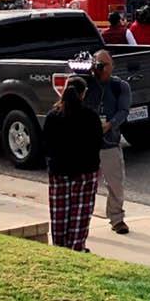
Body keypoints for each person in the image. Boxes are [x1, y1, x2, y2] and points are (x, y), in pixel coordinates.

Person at [43, 77, 104, 252]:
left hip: (59, 171)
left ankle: (59, 248)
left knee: (59, 213)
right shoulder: (90, 116)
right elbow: (97, 142)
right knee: (80, 213)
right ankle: (77, 247)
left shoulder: (53, 116)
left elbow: (46, 143)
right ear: (83, 94)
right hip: (85, 171)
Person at [85, 50, 132, 234]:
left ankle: (117, 219)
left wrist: (109, 125)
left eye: (105, 65)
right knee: (86, 186)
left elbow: (124, 111)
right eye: (98, 64)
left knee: (115, 184)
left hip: (109, 142)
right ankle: (82, 219)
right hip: (88, 145)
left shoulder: (120, 86)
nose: (102, 69)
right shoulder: (86, 84)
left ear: (112, 66)